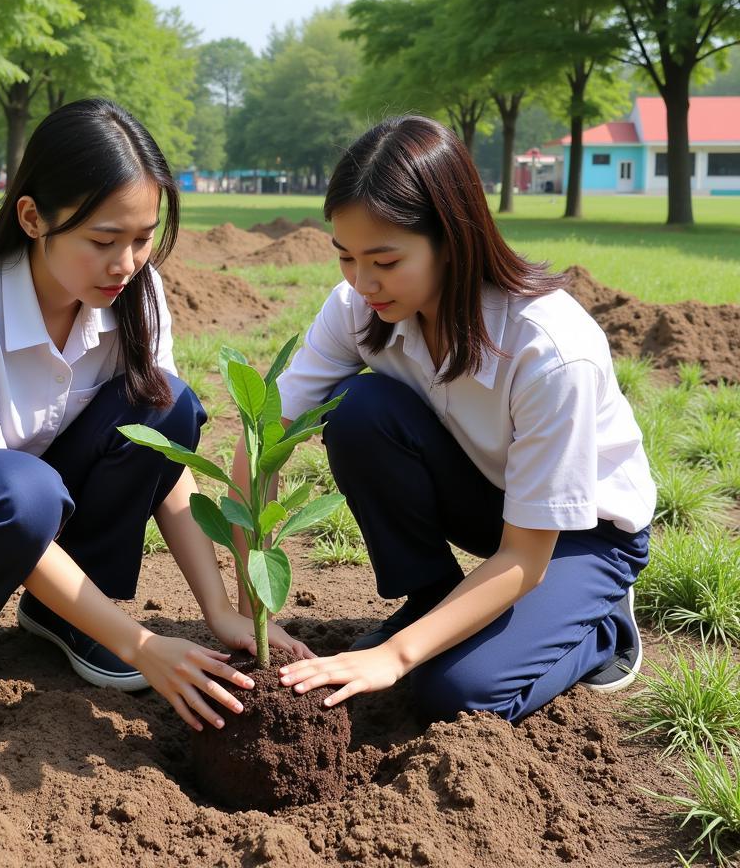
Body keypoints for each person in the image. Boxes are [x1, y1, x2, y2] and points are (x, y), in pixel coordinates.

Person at [0, 97, 311, 732]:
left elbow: (163, 465)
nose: (127, 264)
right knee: (19, 491)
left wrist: (221, 610)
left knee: (168, 406)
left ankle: (63, 611)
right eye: (103, 240)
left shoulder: (137, 295)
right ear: (32, 217)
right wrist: (139, 644)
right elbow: (2, 490)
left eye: (143, 239)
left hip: (30, 490)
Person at [238, 114, 655, 724]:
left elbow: (526, 556)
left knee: (456, 693)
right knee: (359, 409)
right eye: (347, 258)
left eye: (384, 259)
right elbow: (266, 433)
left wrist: (395, 657)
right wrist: (252, 604)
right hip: (491, 499)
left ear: (453, 237)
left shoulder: (549, 351)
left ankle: (602, 625)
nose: (362, 281)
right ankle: (431, 597)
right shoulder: (359, 307)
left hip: (577, 536)